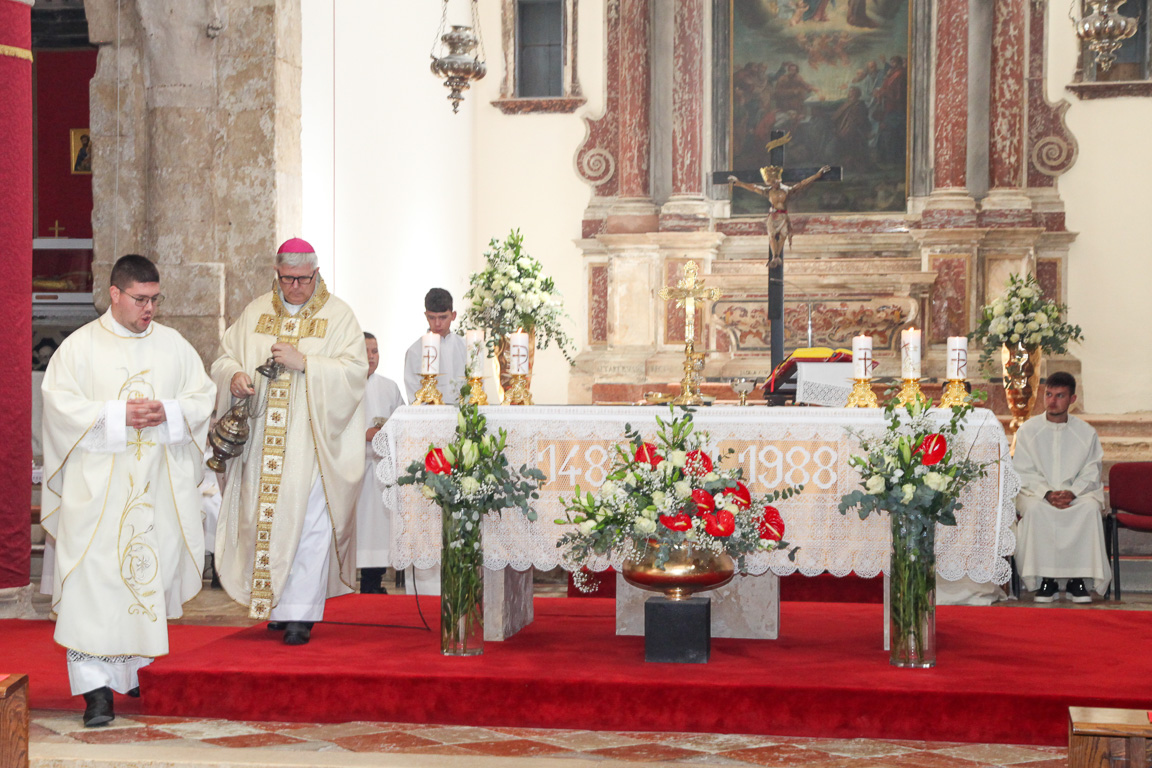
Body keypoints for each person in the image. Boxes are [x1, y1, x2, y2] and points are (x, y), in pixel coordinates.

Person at [40, 254, 216, 727]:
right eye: (140, 299)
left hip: (154, 492)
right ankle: (96, 689)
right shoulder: (79, 348)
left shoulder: (173, 345)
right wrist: (117, 416)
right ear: (114, 294)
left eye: (155, 299)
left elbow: (202, 397)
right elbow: (59, 408)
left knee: (143, 579)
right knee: (93, 588)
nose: (149, 309)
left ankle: (131, 669)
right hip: (97, 497)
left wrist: (170, 412)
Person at [210, 238, 367, 645]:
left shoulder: (339, 317)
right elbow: (224, 357)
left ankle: (300, 614)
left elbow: (354, 372)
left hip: (310, 446)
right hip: (263, 445)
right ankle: (276, 606)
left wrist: (306, 363)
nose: (295, 287)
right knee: (265, 522)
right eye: (287, 279)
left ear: (316, 274)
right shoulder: (256, 311)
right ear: (276, 274)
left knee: (308, 525)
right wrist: (234, 377)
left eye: (303, 279)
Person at [1013, 371, 1110, 603]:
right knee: (1036, 510)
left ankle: (1077, 581)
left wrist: (1072, 492)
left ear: (1072, 399)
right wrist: (1046, 493)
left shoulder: (1086, 433)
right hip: (1037, 493)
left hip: (1076, 493)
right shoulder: (1028, 430)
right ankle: (1047, 581)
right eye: (1048, 394)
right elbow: (1022, 470)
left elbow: (1091, 470)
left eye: (1060, 396)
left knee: (1088, 509)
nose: (1052, 401)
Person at [356, 332, 405, 594]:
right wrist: (365, 434)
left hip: (382, 468)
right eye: (365, 350)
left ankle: (373, 584)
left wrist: (390, 433)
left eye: (375, 351)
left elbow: (402, 419)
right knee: (359, 528)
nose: (371, 356)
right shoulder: (345, 385)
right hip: (354, 467)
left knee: (379, 530)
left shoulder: (389, 386)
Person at [729, 161, 831, 268]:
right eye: (771, 183)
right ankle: (775, 257)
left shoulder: (787, 190)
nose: (773, 185)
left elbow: (802, 183)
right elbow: (754, 187)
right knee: (771, 236)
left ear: (779, 180)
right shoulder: (768, 191)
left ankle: (776, 257)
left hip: (783, 216)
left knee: (783, 236)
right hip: (773, 216)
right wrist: (739, 183)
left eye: (774, 182)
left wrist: (817, 175)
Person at [403, 288, 466, 405]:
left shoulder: (465, 347)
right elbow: (414, 394)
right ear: (426, 315)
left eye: (443, 317)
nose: (437, 324)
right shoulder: (415, 351)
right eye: (432, 317)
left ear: (453, 315)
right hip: (429, 413)